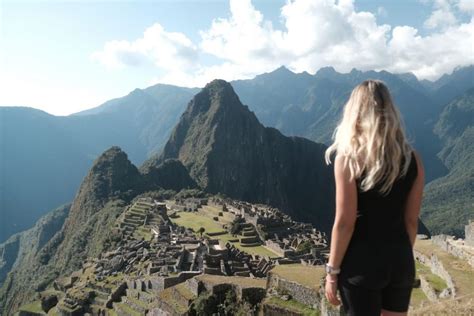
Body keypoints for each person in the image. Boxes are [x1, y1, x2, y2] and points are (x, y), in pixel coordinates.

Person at [323, 79, 425, 316]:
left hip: (362, 264)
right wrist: (397, 255)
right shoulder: (414, 160)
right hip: (400, 261)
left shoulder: (347, 159)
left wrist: (332, 271)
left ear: (354, 113)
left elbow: (345, 221)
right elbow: (411, 221)